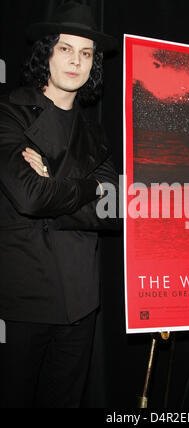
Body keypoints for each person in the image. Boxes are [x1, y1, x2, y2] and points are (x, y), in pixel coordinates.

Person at [0, 2, 119, 408]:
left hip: (81, 301)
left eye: (86, 53)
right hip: (23, 299)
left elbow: (114, 212)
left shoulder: (96, 134)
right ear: (46, 52)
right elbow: (30, 197)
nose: (76, 61)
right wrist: (88, 188)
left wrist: (57, 185)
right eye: (65, 49)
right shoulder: (9, 113)